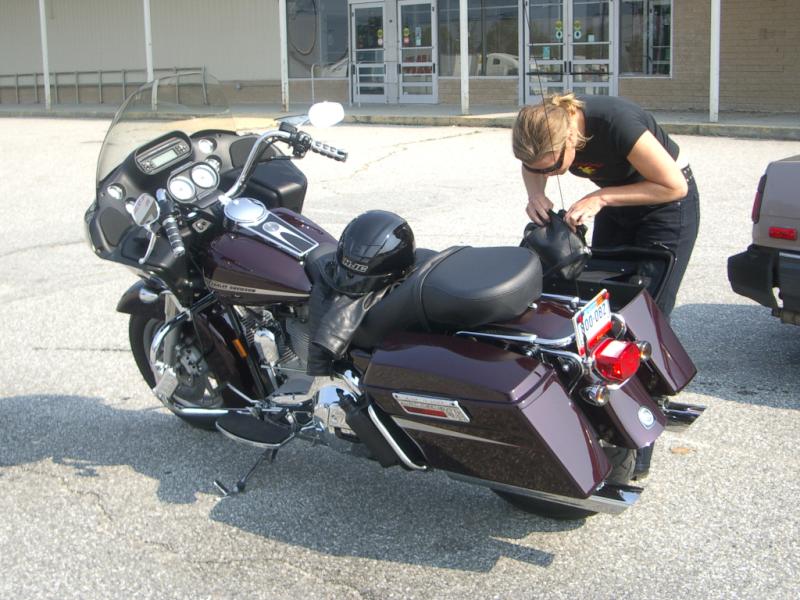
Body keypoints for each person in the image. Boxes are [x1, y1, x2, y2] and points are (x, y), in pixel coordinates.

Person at [512, 93, 699, 317]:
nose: (546, 174)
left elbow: (675, 186)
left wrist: (600, 198)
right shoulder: (541, 130)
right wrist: (535, 194)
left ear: (570, 137)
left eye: (553, 167)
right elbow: (533, 163)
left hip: (664, 201)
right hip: (615, 200)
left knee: (647, 308)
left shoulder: (615, 122)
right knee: (602, 294)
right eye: (537, 169)